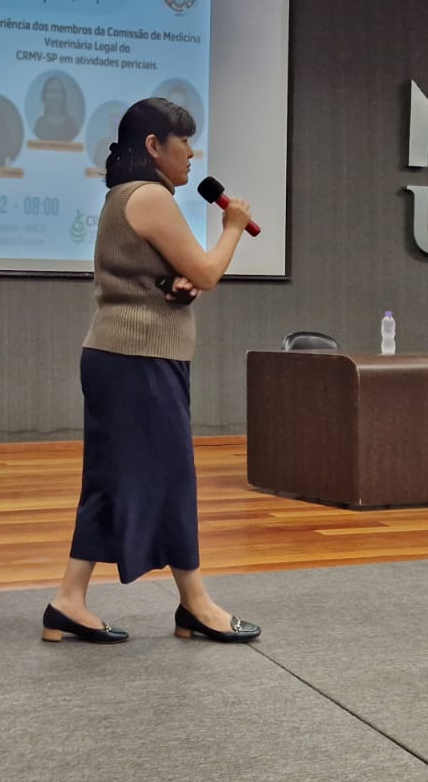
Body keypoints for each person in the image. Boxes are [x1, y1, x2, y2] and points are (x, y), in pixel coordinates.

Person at [42, 96, 261, 645]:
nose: (191, 152)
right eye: (183, 141)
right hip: (138, 361)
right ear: (153, 147)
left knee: (110, 483)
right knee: (171, 479)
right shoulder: (151, 198)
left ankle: (69, 601)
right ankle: (196, 604)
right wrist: (232, 224)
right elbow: (208, 271)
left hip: (121, 356)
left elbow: (154, 281)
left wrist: (175, 287)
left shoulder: (125, 196)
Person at [34, 75, 78, 142]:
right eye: (50, 91)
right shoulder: (40, 124)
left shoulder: (71, 125)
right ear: (44, 96)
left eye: (58, 92)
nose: (54, 96)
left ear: (64, 97)